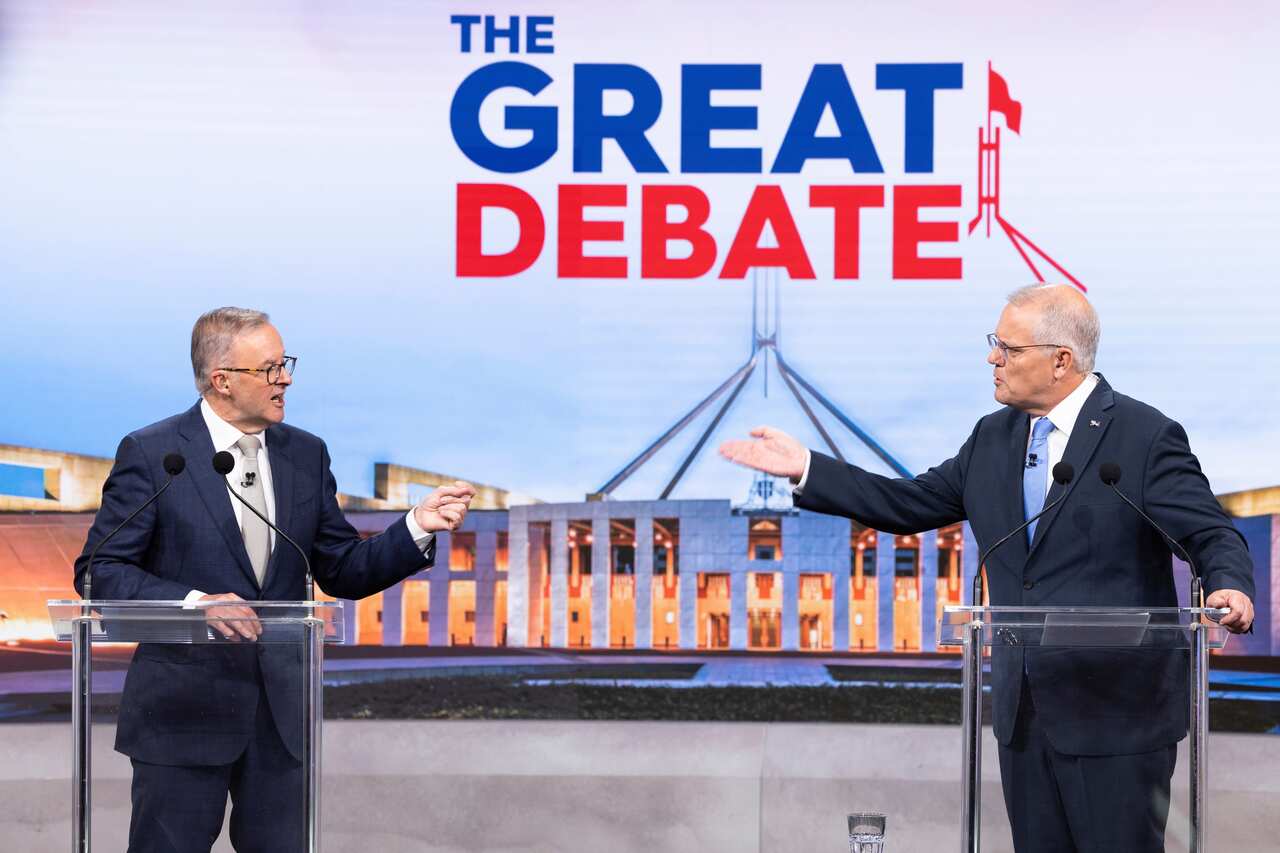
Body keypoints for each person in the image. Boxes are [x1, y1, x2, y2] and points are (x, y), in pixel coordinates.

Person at [719, 283, 1255, 853]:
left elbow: (1210, 531)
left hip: (1116, 718)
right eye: (993, 344)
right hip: (1025, 717)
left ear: (1060, 361)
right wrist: (806, 467)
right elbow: (908, 503)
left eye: (1008, 348)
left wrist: (1229, 583)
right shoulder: (991, 437)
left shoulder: (1144, 436)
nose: (992, 358)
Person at [74, 307, 476, 853]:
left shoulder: (305, 453)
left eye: (284, 364)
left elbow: (339, 568)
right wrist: (194, 604)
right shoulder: (154, 453)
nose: (285, 378)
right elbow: (101, 571)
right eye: (269, 368)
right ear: (222, 380)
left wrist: (415, 528)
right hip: (183, 714)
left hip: (282, 718)